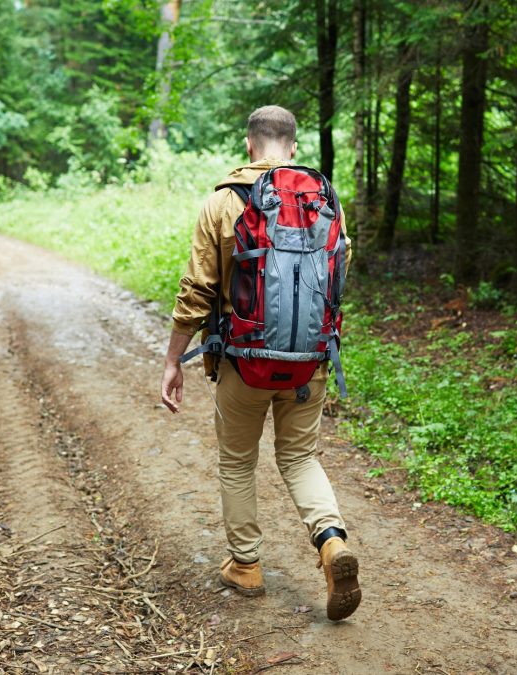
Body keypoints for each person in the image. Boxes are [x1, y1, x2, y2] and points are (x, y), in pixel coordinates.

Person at [160, 105, 360, 622]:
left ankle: (246, 565)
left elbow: (197, 288)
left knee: (237, 460)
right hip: (308, 364)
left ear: (249, 145)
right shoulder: (325, 200)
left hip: (242, 363)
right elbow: (339, 275)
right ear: (292, 146)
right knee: (300, 457)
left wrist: (173, 359)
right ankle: (332, 541)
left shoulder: (225, 201)